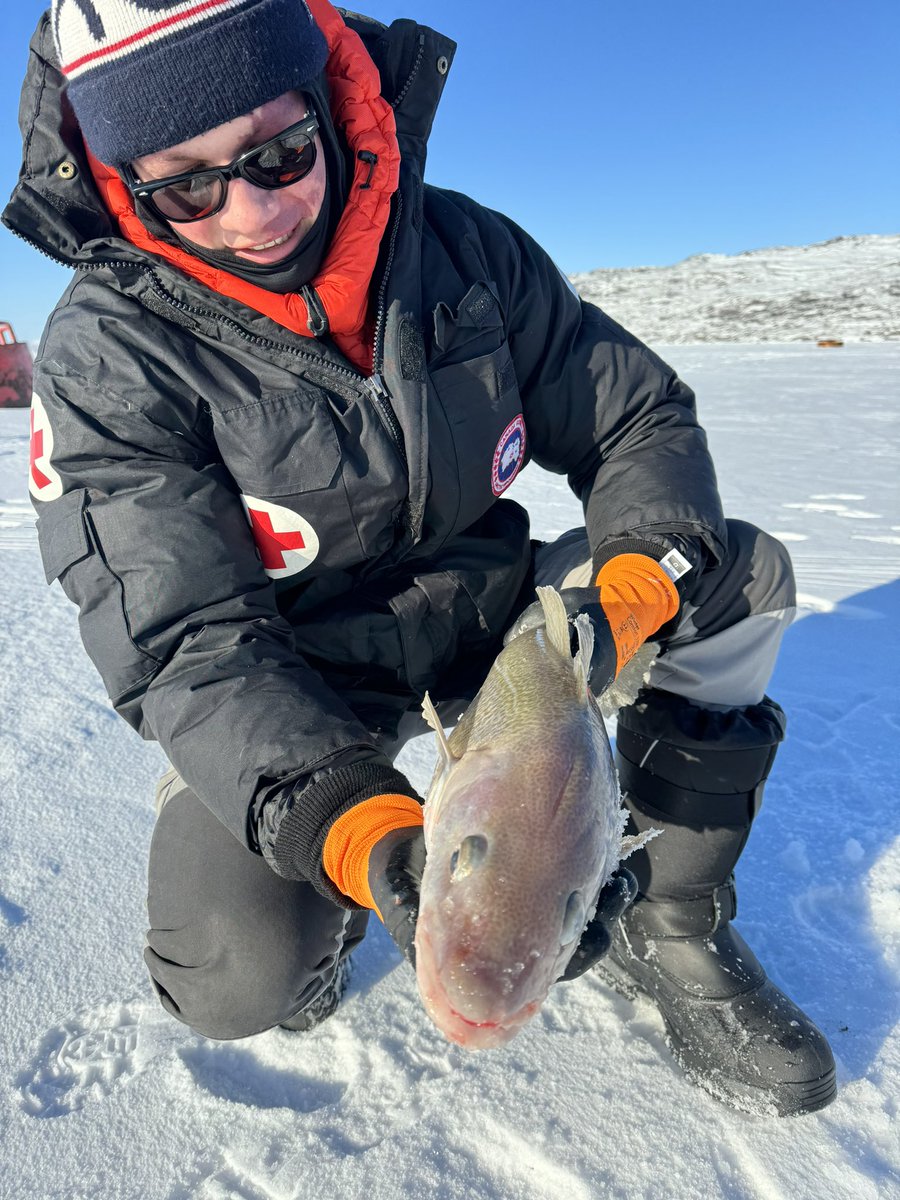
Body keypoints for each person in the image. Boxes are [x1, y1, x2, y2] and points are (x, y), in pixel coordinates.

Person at [6, 0, 835, 1116]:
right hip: (300, 677)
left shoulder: (462, 250)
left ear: (325, 103)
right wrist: (346, 823)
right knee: (233, 970)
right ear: (123, 184)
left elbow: (637, 422)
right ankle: (308, 877)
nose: (253, 211)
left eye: (279, 153)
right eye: (188, 185)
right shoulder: (110, 357)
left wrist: (637, 579)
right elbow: (186, 645)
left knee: (734, 578)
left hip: (500, 624)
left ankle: (667, 914)